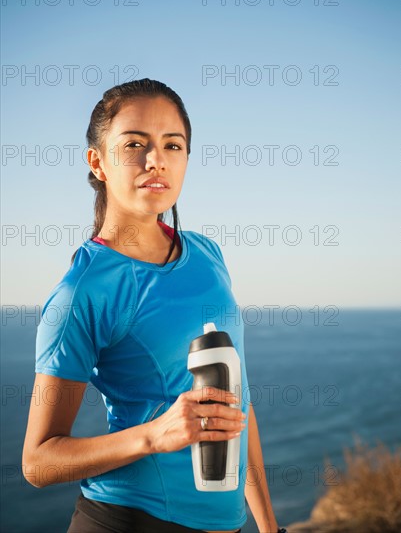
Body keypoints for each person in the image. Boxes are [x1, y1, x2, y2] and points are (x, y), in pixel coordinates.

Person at [22, 78, 285, 533]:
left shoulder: (207, 255)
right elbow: (39, 461)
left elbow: (236, 403)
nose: (155, 160)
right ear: (97, 162)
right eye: (134, 144)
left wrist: (268, 526)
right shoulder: (82, 292)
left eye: (173, 145)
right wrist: (154, 435)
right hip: (127, 519)